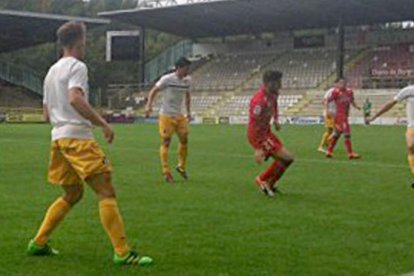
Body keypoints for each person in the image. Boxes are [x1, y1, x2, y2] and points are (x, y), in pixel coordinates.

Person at [27, 21, 152, 266]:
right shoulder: (77, 66)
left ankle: (38, 243)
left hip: (59, 138)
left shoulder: (51, 72)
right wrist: (102, 123)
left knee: (73, 193)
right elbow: (75, 98)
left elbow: (45, 114)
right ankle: (122, 252)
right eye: (85, 40)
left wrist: (62, 120)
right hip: (78, 138)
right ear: (79, 42)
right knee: (106, 191)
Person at [247, 70, 294, 197]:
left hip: (266, 132)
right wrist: (258, 147)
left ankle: (270, 184)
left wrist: (276, 119)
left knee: (287, 160)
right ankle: (263, 179)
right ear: (269, 83)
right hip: (258, 135)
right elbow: (254, 125)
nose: (280, 84)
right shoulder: (258, 101)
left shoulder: (274, 94)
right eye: (278, 82)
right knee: (287, 157)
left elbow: (275, 106)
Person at [145, 57, 192, 183]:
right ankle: (166, 171)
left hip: (179, 115)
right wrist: (149, 105)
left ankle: (181, 166)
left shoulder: (187, 80)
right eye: (186, 68)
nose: (188, 71)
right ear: (179, 68)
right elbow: (153, 91)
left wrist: (188, 112)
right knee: (166, 142)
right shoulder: (167, 79)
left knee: (184, 138)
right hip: (166, 115)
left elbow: (188, 96)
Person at [367, 84, 414, 185]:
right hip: (412, 127)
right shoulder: (408, 90)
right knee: (411, 147)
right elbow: (390, 104)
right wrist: (374, 116)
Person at [326, 78, 361, 159]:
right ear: (337, 84)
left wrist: (356, 106)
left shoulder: (349, 92)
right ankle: (350, 153)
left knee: (337, 134)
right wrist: (327, 110)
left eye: (344, 83)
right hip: (339, 116)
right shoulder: (335, 92)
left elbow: (352, 101)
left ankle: (329, 151)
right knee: (347, 134)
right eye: (340, 83)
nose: (343, 84)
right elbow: (327, 100)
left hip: (345, 115)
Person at [318, 86, 336, 153]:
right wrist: (327, 111)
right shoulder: (331, 91)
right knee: (335, 130)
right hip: (330, 114)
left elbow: (323, 101)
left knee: (330, 131)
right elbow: (324, 101)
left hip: (334, 114)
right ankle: (324, 145)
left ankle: (324, 144)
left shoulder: (339, 92)